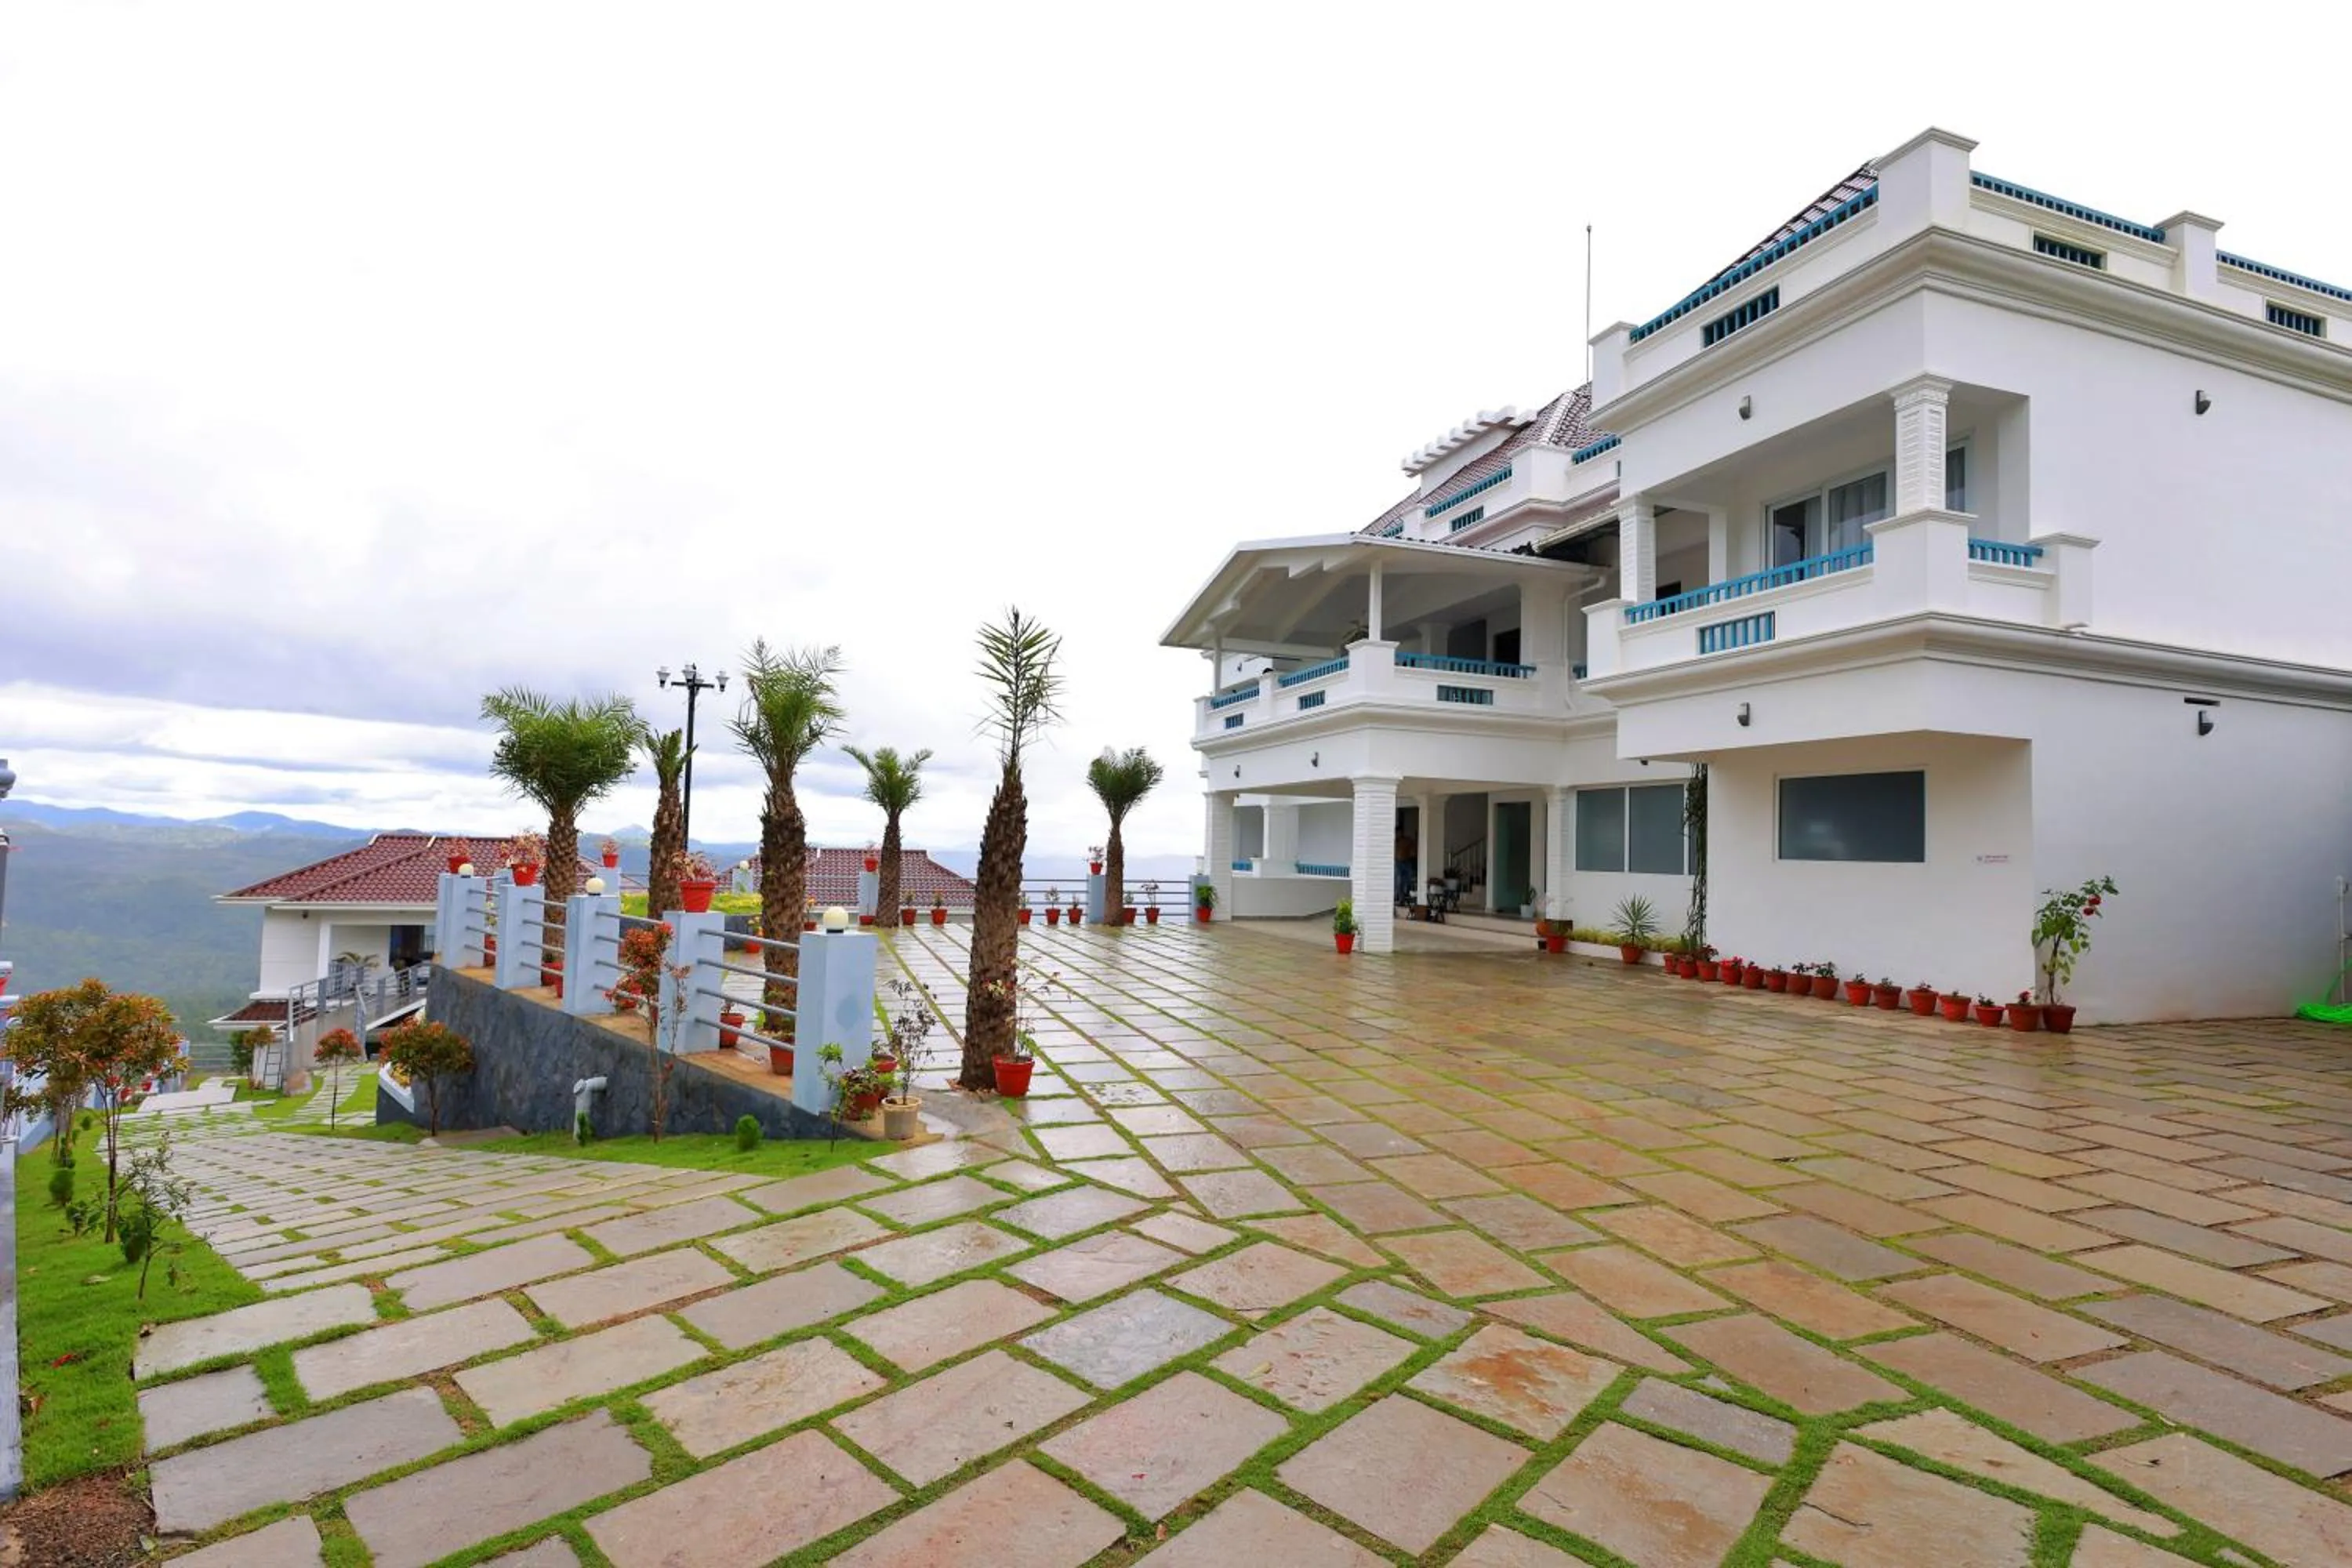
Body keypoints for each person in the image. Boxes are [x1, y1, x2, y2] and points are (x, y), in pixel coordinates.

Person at [1394, 823, 1417, 907]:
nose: (1398, 834)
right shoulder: (1395, 842)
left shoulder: (1407, 841)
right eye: (1397, 833)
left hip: (1406, 862)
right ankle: (1400, 899)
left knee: (1407, 881)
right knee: (1399, 881)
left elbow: (1413, 848)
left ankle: (1406, 897)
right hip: (1398, 863)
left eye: (1400, 832)